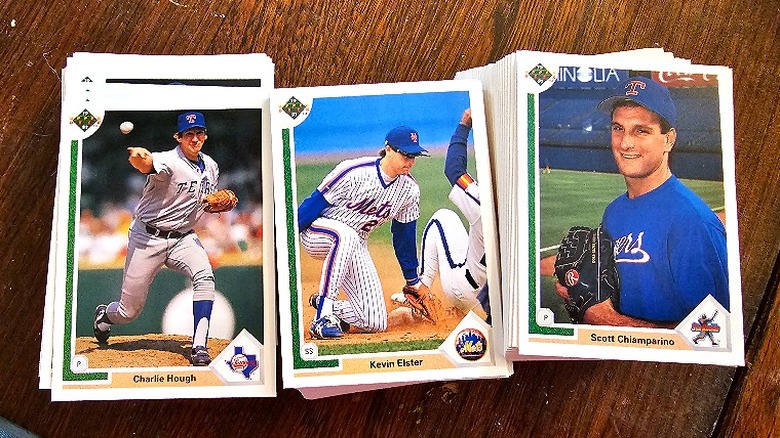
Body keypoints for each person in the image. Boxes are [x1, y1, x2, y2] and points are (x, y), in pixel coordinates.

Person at [556, 77, 729, 327]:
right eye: (618, 128)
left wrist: (608, 321)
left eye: (641, 130)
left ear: (669, 139)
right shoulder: (614, 211)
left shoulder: (692, 222)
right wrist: (578, 292)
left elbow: (714, 336)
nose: (626, 143)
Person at [93, 111, 233, 366]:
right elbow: (148, 164)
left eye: (198, 132)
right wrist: (140, 159)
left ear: (205, 135)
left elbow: (205, 202)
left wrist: (214, 205)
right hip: (148, 239)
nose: (194, 138)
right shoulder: (170, 161)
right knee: (129, 311)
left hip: (183, 239)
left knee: (205, 277)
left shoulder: (211, 166)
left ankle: (199, 346)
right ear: (178, 137)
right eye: (188, 134)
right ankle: (104, 316)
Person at [298, 126, 427, 339]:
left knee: (375, 321)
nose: (410, 160)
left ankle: (325, 303)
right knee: (345, 235)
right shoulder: (354, 171)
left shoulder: (409, 190)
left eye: (414, 155)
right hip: (318, 232)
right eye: (405, 154)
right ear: (388, 149)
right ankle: (322, 317)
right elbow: (311, 206)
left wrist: (413, 281)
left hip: (354, 244)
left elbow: (404, 236)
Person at [392, 109, 491, 323]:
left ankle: (419, 294)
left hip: (466, 292)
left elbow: (454, 170)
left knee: (442, 218)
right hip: (495, 301)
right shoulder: (521, 213)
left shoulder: (485, 204)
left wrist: (464, 124)